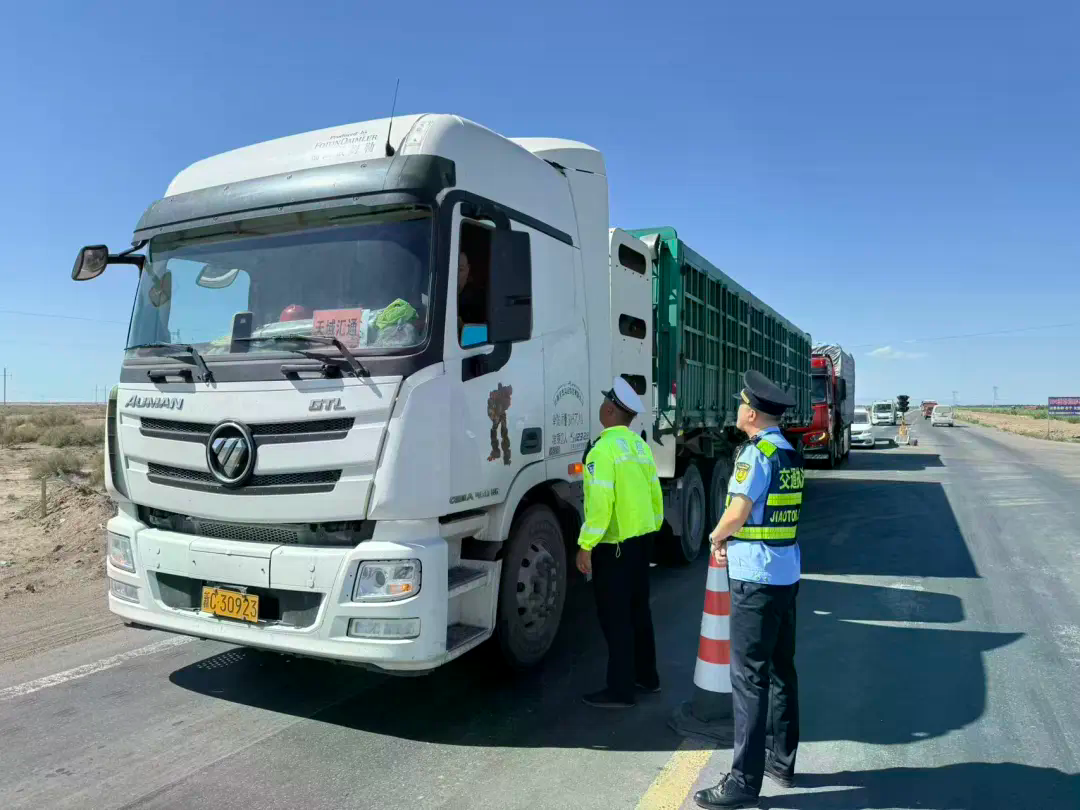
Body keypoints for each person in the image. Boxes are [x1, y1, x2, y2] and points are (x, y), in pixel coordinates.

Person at [695, 370, 803, 810]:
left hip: (755, 579)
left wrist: (716, 536)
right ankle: (782, 763)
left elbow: (738, 512)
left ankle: (743, 781)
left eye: (742, 404)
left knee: (749, 679)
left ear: (752, 413)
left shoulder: (755, 455)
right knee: (781, 671)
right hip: (785, 575)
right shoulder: (789, 453)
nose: (738, 409)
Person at [576, 378, 664, 708]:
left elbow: (600, 505)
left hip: (614, 546)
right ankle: (647, 678)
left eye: (604, 402)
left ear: (610, 410)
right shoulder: (640, 447)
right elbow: (655, 494)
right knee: (639, 611)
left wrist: (586, 544)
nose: (601, 407)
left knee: (616, 618)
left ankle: (620, 691)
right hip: (642, 541)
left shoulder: (602, 451)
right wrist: (651, 528)